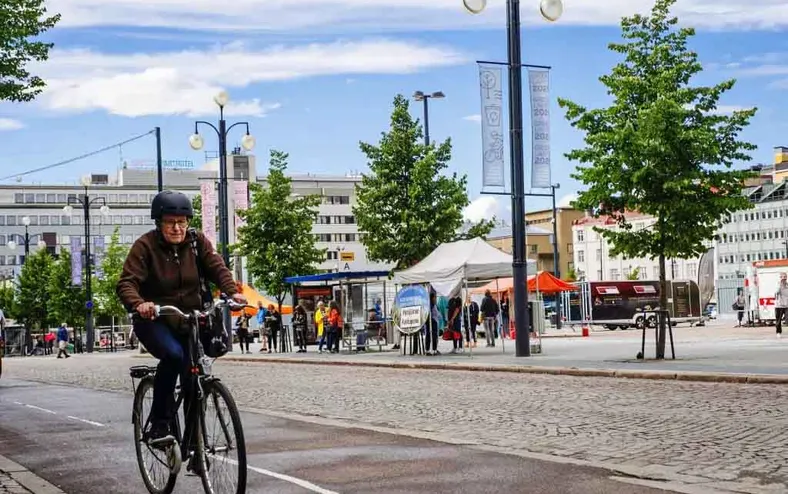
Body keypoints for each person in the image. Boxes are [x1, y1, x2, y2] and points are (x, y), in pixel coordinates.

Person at [116, 190, 245, 447]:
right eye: (170, 222)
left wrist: (232, 292)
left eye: (182, 222)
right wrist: (140, 304)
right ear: (159, 222)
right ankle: (159, 423)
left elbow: (217, 267)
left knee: (192, 379)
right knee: (174, 356)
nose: (177, 228)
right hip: (156, 321)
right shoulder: (145, 246)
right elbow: (127, 283)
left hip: (190, 320)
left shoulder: (197, 243)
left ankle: (195, 448)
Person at [775, 272, 788, 337]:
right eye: (782, 277)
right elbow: (776, 292)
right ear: (780, 278)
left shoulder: (787, 285)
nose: (784, 278)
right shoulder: (777, 285)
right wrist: (780, 284)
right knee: (778, 320)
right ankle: (778, 332)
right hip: (779, 305)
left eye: (785, 277)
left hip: (786, 305)